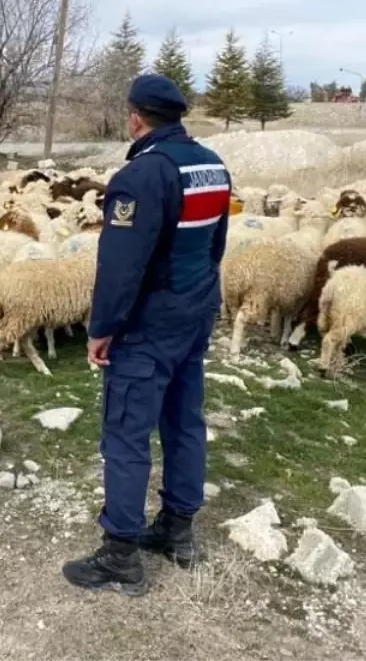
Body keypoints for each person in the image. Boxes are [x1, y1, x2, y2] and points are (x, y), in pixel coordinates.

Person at [62, 73, 231, 596]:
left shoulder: (142, 176)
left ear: (136, 118)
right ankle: (177, 530)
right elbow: (215, 245)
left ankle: (120, 556)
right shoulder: (211, 166)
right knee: (184, 420)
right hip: (194, 313)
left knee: (127, 433)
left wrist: (103, 328)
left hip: (149, 325)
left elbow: (120, 265)